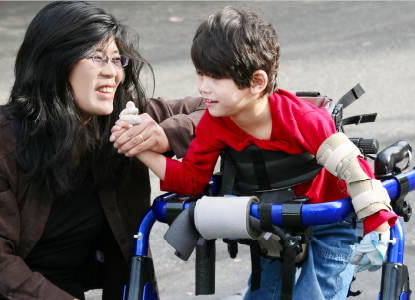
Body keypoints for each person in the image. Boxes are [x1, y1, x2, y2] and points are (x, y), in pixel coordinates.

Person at [0, 2, 205, 300]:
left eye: (116, 58)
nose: (112, 72)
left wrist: (164, 134)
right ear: (55, 61)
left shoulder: (126, 118)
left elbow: (219, 108)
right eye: (97, 56)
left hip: (55, 286)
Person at [118, 6, 398, 300]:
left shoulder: (302, 119)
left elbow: (353, 167)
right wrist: (140, 149)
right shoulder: (215, 124)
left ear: (257, 82)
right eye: (200, 74)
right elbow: (190, 180)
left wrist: (378, 228)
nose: (202, 87)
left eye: (215, 77)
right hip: (273, 224)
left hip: (329, 223)